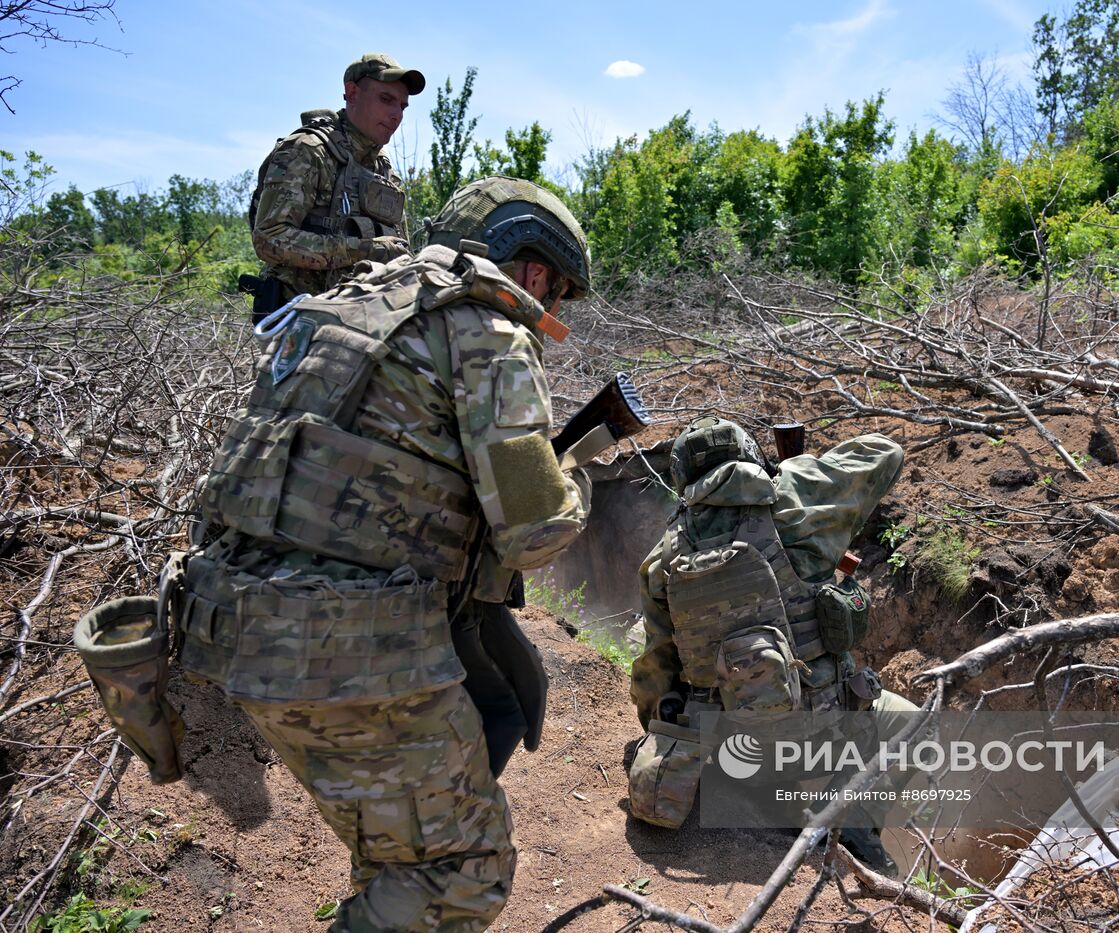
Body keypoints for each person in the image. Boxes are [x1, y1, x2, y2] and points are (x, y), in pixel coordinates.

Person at [178, 177, 592, 931]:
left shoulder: (334, 309)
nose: (551, 309)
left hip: (226, 623)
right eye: (557, 291)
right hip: (346, 650)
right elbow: (536, 534)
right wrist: (575, 484)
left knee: (406, 848)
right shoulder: (487, 331)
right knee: (459, 874)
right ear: (533, 270)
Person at [627, 417, 918, 872]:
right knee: (911, 725)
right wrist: (797, 467)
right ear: (751, 454)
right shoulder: (798, 497)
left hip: (728, 756)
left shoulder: (663, 558)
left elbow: (654, 675)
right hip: (817, 739)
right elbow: (886, 452)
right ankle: (852, 825)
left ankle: (764, 799)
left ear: (682, 477)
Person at [249, 53, 425, 309]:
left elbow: (398, 248)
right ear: (352, 93)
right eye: (386, 100)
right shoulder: (308, 150)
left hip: (362, 318)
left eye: (402, 106)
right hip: (299, 316)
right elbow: (268, 239)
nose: (396, 115)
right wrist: (362, 250)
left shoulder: (384, 169)